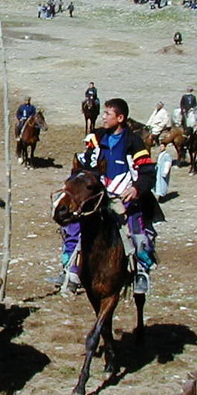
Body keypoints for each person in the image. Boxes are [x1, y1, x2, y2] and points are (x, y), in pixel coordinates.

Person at [65, 98, 161, 295]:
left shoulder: (134, 142)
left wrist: (136, 189)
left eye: (107, 114)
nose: (103, 117)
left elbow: (148, 172)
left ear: (120, 118)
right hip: (99, 197)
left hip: (126, 199)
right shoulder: (97, 138)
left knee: (138, 232)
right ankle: (70, 269)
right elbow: (86, 164)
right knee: (73, 225)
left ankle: (142, 271)